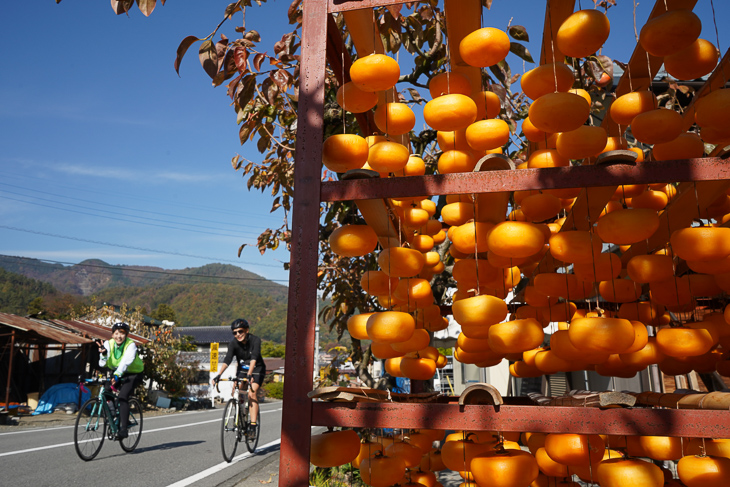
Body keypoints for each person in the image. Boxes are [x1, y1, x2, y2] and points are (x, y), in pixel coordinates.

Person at [212, 319, 266, 436]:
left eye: (240, 331)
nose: (237, 335)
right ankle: (241, 414)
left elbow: (254, 358)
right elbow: (227, 359)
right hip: (242, 369)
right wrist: (219, 375)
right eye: (234, 332)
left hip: (256, 369)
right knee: (237, 392)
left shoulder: (255, 340)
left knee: (252, 393)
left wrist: (250, 374)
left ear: (246, 330)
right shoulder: (233, 343)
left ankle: (252, 425)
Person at [96, 322, 144, 439]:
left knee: (123, 396)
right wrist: (103, 355)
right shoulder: (108, 344)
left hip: (133, 373)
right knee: (106, 390)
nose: (119, 336)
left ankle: (123, 429)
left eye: (122, 333)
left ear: (126, 335)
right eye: (116, 333)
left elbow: (125, 362)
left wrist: (117, 375)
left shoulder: (130, 345)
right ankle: (112, 413)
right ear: (112, 335)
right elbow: (102, 364)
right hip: (117, 371)